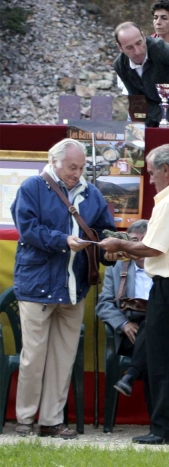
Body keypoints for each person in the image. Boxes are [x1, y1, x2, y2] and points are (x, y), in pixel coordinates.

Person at [99, 144, 169, 445]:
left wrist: (118, 245)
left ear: (166, 170)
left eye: (151, 173)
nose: (150, 179)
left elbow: (153, 247)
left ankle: (164, 429)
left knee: (163, 359)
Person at [10, 138, 116, 439]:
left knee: (63, 357)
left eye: (81, 167)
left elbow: (104, 228)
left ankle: (52, 420)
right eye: (72, 166)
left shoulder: (92, 193)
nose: (77, 172)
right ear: (54, 162)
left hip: (74, 287)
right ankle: (25, 419)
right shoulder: (32, 187)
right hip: (37, 286)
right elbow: (27, 229)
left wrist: (112, 246)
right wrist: (63, 240)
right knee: (33, 357)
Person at [95, 219, 152, 407]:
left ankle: (131, 374)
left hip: (159, 329)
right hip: (130, 334)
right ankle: (159, 424)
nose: (138, 245)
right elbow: (103, 304)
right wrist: (123, 324)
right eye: (134, 240)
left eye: (145, 240)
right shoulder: (118, 267)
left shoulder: (165, 268)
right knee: (153, 345)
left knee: (152, 326)